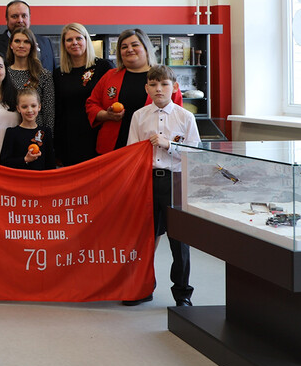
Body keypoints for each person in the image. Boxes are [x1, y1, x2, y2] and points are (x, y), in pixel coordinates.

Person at [125, 65, 200, 307]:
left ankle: (183, 294)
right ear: (146, 88)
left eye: (164, 84)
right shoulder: (139, 116)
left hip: (174, 181)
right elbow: (131, 151)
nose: (159, 89)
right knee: (145, 238)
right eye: (153, 84)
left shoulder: (185, 117)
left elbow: (194, 153)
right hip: (147, 181)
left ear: (174, 87)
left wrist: (169, 145)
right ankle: (143, 288)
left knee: (179, 241)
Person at [86, 28, 182, 155]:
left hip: (151, 148)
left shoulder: (164, 77)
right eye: (124, 47)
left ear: (146, 48)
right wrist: (106, 115)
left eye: (135, 45)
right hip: (113, 147)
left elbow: (178, 114)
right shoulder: (110, 76)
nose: (129, 49)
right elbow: (91, 104)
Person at [53, 23, 114, 165]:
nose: (74, 43)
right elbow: (58, 110)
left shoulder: (103, 67)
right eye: (69, 40)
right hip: (69, 139)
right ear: (64, 44)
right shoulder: (59, 73)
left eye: (78, 38)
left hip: (97, 135)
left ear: (86, 40)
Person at [0, 0, 54, 71]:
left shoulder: (45, 43)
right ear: (6, 20)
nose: (20, 20)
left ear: (29, 18)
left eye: (24, 16)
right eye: (14, 16)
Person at [5, 27, 54, 132]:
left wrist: (47, 137)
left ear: (32, 46)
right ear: (11, 45)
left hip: (36, 133)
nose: (21, 45)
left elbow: (49, 113)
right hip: (9, 130)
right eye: (17, 41)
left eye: (26, 42)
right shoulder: (4, 74)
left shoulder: (44, 75)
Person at [0, 86, 55, 170]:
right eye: (24, 107)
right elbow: (4, 162)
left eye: (33, 106)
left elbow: (50, 164)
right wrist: (25, 159)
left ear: (39, 107)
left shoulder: (46, 132)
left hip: (40, 178)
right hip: (19, 177)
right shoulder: (12, 133)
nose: (29, 110)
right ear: (18, 108)